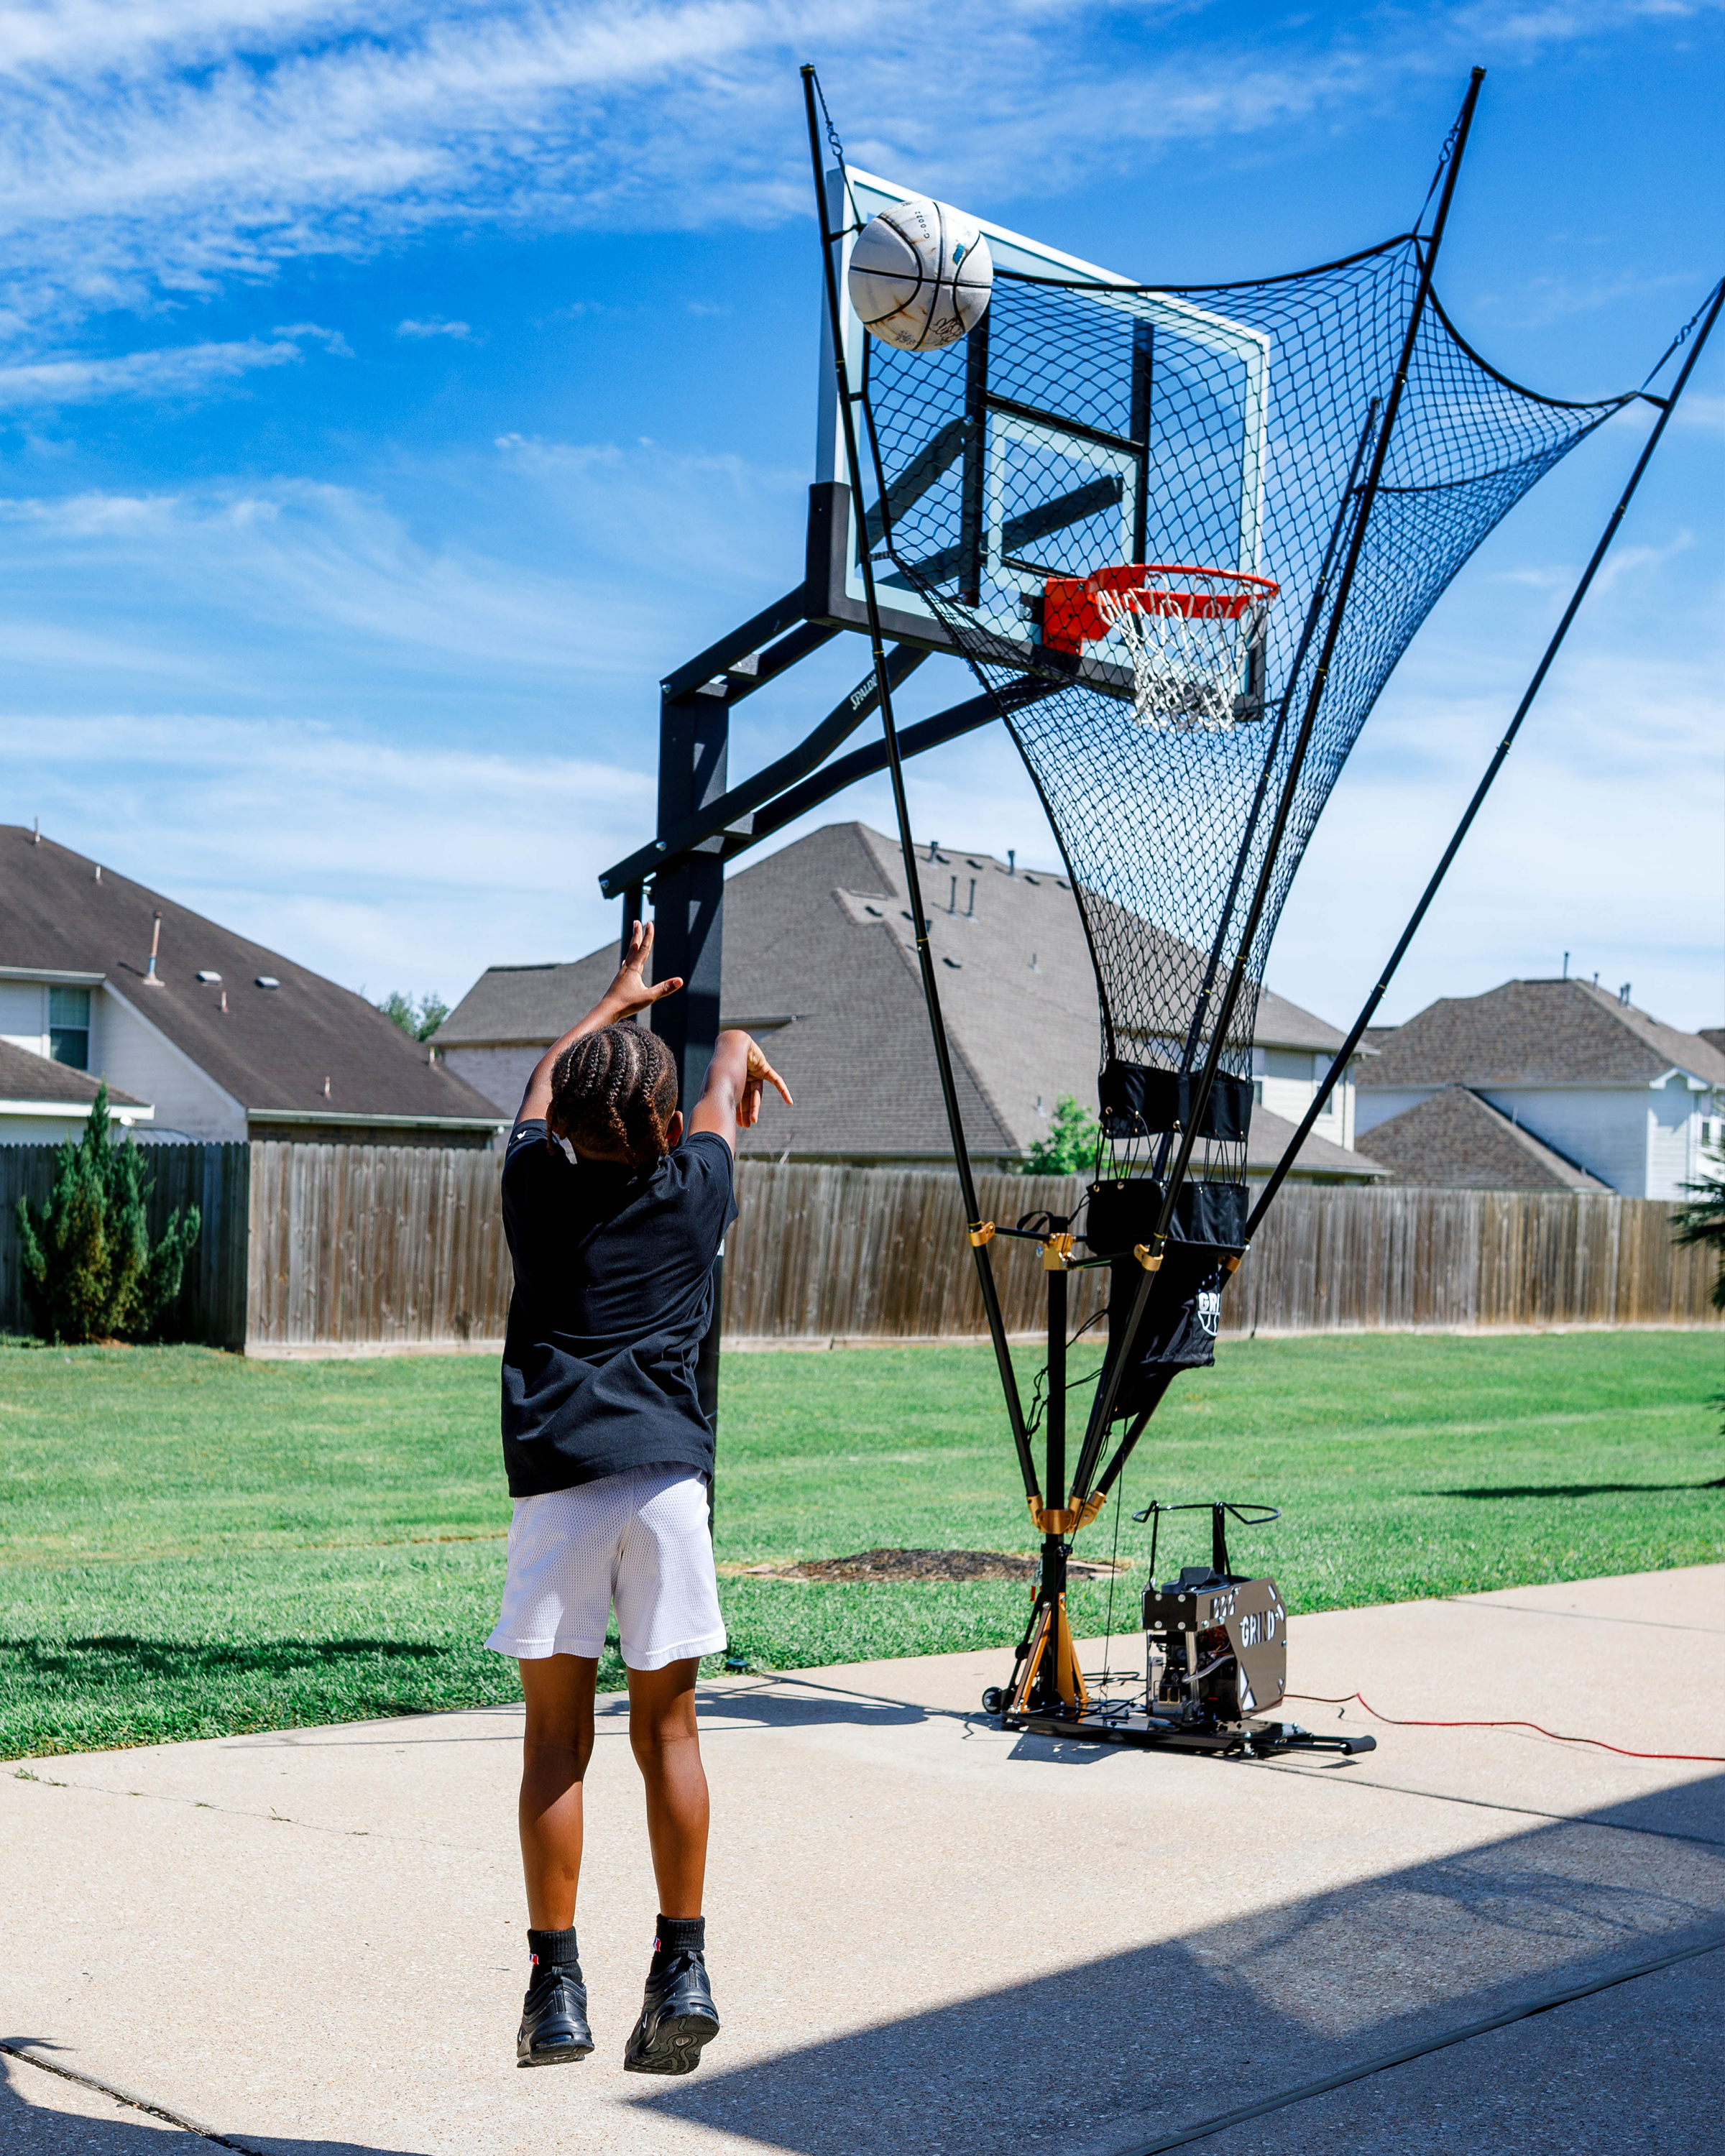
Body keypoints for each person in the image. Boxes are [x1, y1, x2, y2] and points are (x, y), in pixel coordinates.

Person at [484, 920, 791, 2075]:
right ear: (665, 1134)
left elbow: (537, 1084)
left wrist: (612, 1001)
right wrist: (741, 1052)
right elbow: (719, 1080)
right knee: (669, 1728)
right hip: (667, 1488)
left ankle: (553, 1985)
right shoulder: (695, 1188)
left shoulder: (533, 1194)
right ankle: (685, 1961)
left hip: (560, 1489)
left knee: (556, 1741)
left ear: (564, 1129)